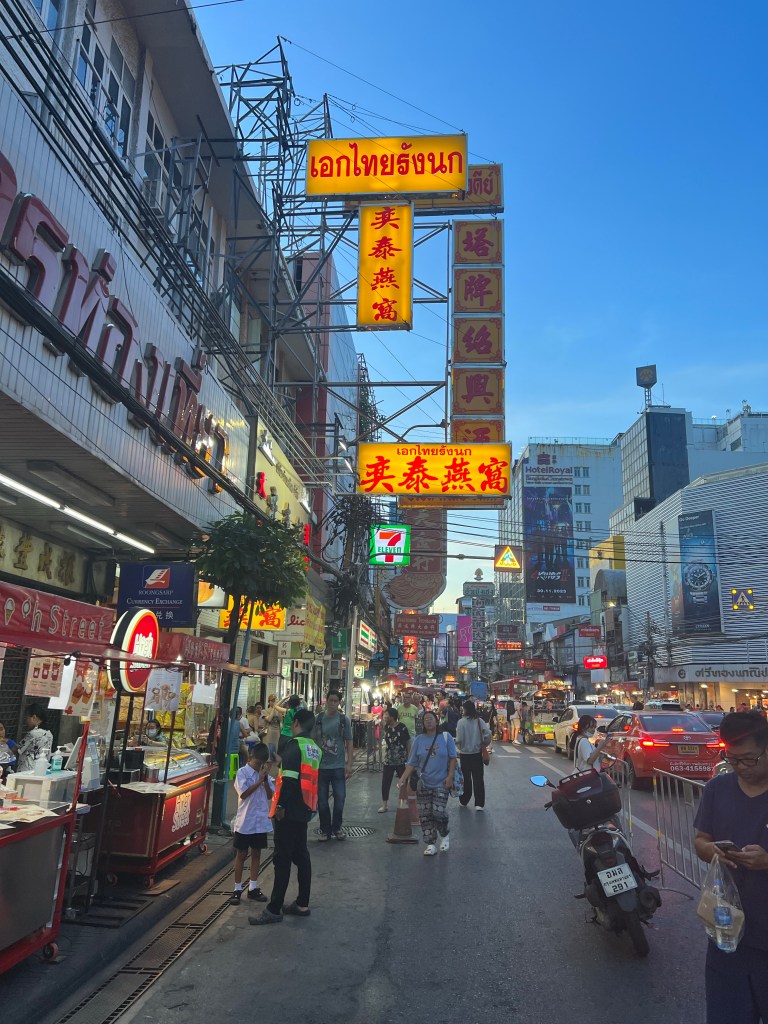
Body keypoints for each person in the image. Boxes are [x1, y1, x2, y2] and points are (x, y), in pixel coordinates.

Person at [694, 711, 768, 1023]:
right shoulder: (718, 789)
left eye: (750, 759)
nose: (742, 767)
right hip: (727, 934)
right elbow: (701, 840)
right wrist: (710, 850)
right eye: (733, 759)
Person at [250, 709, 319, 925]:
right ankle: (302, 903)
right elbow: (302, 773)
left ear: (295, 722)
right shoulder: (313, 748)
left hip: (288, 811)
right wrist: (281, 760)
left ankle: (274, 908)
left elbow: (289, 780)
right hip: (305, 808)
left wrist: (280, 806)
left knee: (282, 859)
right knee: (302, 855)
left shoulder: (293, 745)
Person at [399, 710, 456, 855]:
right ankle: (430, 844)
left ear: (436, 721)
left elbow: (453, 758)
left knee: (438, 812)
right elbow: (412, 762)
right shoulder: (419, 740)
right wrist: (403, 778)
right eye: (426, 720)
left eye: (431, 719)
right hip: (423, 783)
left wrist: (450, 776)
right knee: (425, 815)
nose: (429, 721)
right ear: (423, 724)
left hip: (442, 783)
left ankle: (444, 834)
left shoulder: (446, 737)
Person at [229, 742, 273, 904]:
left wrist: (265, 781)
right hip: (245, 821)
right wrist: (258, 781)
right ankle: (237, 888)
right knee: (241, 854)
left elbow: (270, 795)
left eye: (262, 764)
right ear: (250, 758)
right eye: (257, 763)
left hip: (260, 821)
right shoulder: (242, 773)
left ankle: (253, 887)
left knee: (256, 854)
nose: (259, 766)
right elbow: (243, 794)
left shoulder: (265, 775)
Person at [314, 690, 353, 841]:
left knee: (340, 798)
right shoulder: (318, 719)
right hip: (321, 766)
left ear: (339, 702)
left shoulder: (343, 720)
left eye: (335, 701)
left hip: (338, 766)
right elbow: (313, 741)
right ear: (326, 701)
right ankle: (325, 830)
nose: (332, 703)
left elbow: (349, 742)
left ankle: (337, 827)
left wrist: (349, 764)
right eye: (330, 700)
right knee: (322, 801)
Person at [456, 700, 492, 811]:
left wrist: (459, 747)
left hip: (465, 755)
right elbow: (488, 733)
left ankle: (464, 800)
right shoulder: (479, 721)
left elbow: (459, 739)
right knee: (478, 779)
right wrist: (484, 744)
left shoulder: (461, 722)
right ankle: (479, 804)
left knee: (466, 779)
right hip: (477, 754)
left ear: (465, 709)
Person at [378, 707, 411, 813]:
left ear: (392, 717)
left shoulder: (402, 727)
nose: (384, 716)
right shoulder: (386, 727)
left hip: (401, 760)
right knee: (385, 782)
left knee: (403, 782)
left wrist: (409, 758)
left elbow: (408, 742)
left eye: (386, 714)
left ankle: (402, 803)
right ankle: (384, 805)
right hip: (389, 760)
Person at [16, 704, 54, 772]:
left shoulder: (32, 734)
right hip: (42, 769)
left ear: (34, 717)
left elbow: (19, 749)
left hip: (27, 770)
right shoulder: (49, 733)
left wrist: (7, 742)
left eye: (27, 718)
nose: (26, 721)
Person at [262, 694, 282, 759]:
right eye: (272, 701)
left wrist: (278, 709)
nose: (274, 702)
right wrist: (274, 708)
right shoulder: (264, 711)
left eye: (275, 701)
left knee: (276, 748)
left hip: (277, 731)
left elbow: (280, 720)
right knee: (268, 749)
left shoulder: (278, 711)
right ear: (269, 701)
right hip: (268, 731)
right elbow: (269, 719)